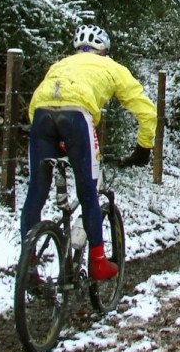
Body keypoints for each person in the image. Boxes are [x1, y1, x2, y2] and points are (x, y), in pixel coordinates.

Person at [21, 24, 156, 280]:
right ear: (103, 49)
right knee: (88, 191)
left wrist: (55, 140)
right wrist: (143, 147)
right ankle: (97, 262)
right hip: (77, 117)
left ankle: (26, 266)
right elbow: (146, 111)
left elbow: (38, 104)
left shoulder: (60, 65)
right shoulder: (112, 67)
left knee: (36, 192)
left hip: (41, 117)